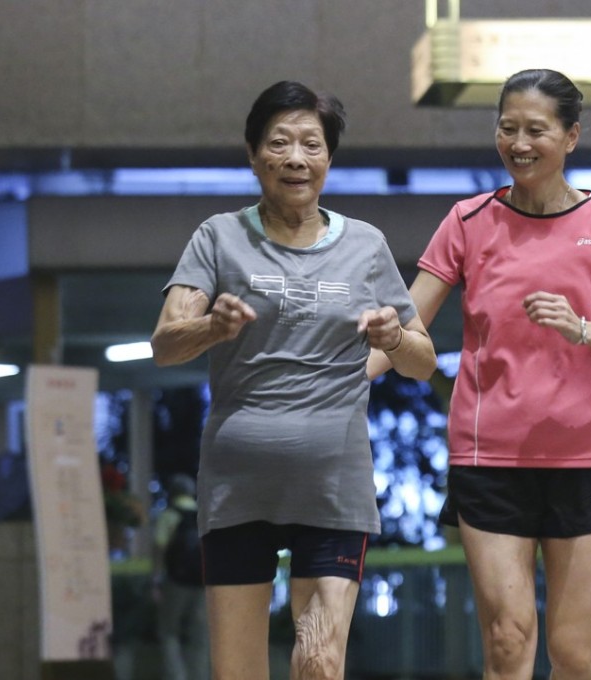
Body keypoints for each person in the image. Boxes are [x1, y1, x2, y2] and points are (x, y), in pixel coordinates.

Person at [370, 68, 591, 680]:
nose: (519, 143)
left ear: (571, 137)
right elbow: (408, 327)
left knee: (570, 650)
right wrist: (350, 373)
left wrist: (585, 329)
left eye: (536, 129)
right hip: (489, 460)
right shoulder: (468, 221)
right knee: (508, 642)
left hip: (585, 458)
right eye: (507, 128)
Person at [151, 80, 436, 680]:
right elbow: (164, 344)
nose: (296, 158)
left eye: (312, 144)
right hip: (236, 487)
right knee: (237, 670)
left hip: (333, 486)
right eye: (279, 142)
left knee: (318, 662)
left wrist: (392, 337)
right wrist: (210, 326)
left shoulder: (366, 246)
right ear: (254, 154)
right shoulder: (218, 236)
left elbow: (423, 361)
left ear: (329, 159)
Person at [152, 473, 208, 680]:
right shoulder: (203, 517)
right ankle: (199, 676)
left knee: (169, 632)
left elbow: (159, 548)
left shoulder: (169, 515)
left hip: (176, 582)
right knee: (200, 637)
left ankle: (177, 676)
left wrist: (156, 581)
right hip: (202, 584)